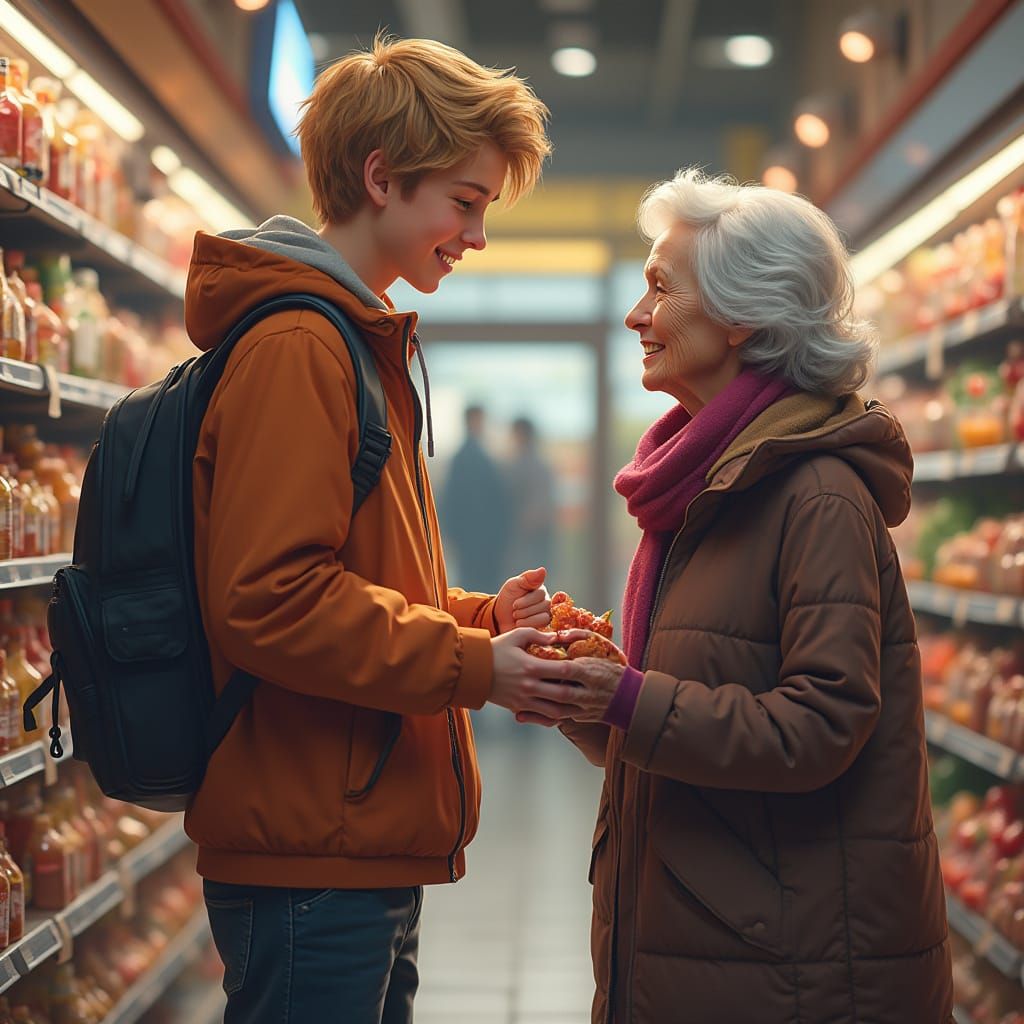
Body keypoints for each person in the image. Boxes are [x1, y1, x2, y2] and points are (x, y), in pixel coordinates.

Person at [184, 36, 589, 1024]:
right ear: (381, 177)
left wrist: (482, 620)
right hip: (309, 844)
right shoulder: (299, 347)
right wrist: (471, 665)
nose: (477, 234)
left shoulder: (350, 341)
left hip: (347, 827)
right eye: (466, 200)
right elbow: (269, 600)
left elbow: (352, 578)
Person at [522, 169, 954, 1023]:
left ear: (742, 315)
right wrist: (593, 696)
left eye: (658, 288)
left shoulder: (815, 492)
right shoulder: (700, 485)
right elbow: (691, 732)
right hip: (709, 942)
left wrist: (634, 698)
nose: (635, 316)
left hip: (791, 968)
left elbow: (821, 726)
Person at [439, 404, 510, 592]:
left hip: (474, 536)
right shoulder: (469, 456)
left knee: (476, 585)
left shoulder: (469, 455)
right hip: (476, 536)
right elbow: (455, 499)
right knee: (478, 588)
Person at [503, 415, 556, 578]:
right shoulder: (532, 462)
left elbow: (537, 506)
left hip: (529, 536)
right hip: (528, 534)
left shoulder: (531, 464)